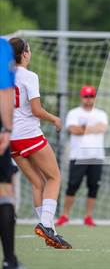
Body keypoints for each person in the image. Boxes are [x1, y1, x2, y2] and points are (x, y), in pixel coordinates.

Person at [8, 38, 71, 249]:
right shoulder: (29, 76)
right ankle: (46, 225)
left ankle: (49, 231)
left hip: (12, 139)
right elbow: (36, 110)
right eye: (29, 50)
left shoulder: (4, 76)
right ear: (25, 54)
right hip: (29, 135)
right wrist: (54, 118)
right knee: (55, 177)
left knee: (38, 184)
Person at [55, 85, 108, 227]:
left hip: (96, 156)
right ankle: (65, 215)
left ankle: (88, 217)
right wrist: (93, 128)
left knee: (93, 187)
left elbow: (102, 128)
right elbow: (73, 129)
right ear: (81, 97)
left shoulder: (101, 113)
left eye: (91, 96)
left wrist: (83, 128)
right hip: (78, 156)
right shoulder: (74, 113)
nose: (89, 99)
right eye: (86, 96)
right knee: (72, 185)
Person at [0, 38, 24, 269]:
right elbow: (6, 91)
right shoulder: (2, 47)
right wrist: (6, 128)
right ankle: (10, 260)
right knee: (4, 191)